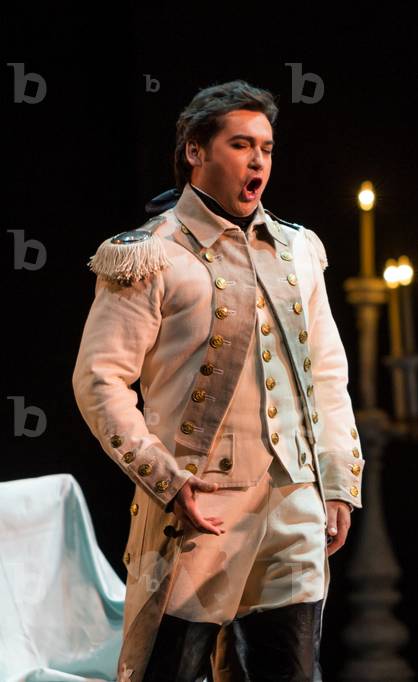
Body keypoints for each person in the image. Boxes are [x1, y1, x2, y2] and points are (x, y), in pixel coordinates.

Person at [72, 80, 365, 681]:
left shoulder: (299, 250)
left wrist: (335, 481)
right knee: (175, 668)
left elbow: (327, 373)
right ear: (195, 152)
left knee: (290, 667)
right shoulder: (149, 255)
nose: (258, 160)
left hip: (294, 500)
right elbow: (100, 380)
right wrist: (165, 477)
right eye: (240, 144)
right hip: (202, 504)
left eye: (267, 147)